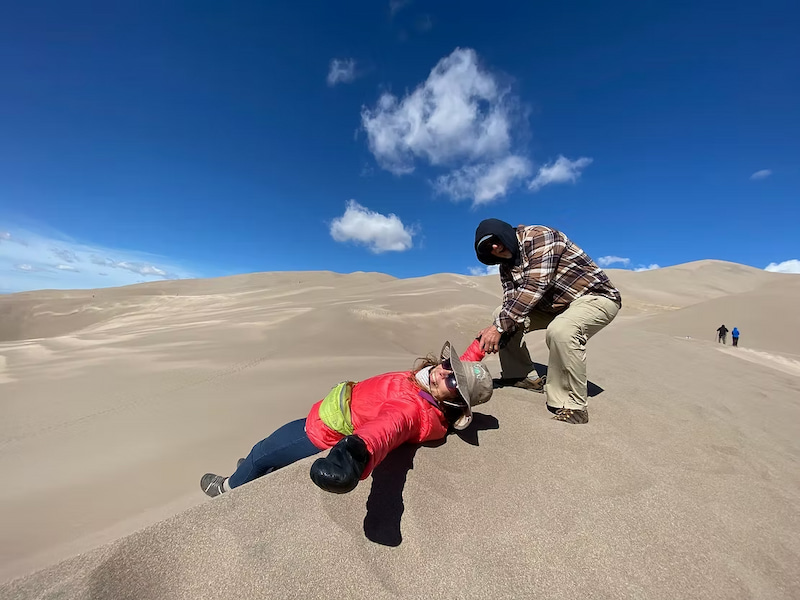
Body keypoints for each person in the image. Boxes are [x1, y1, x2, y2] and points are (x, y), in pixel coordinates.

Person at [200, 340, 492, 497]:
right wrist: (480, 344)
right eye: (448, 365)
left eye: (453, 382)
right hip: (323, 418)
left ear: (454, 402)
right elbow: (466, 368)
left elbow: (384, 430)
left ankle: (228, 489)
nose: (444, 373)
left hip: (319, 431)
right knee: (268, 458)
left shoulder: (412, 408)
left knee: (260, 453)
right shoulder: (429, 388)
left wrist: (352, 457)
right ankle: (251, 477)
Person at [473, 219, 622, 425]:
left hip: (594, 298)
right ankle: (521, 376)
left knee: (561, 330)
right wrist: (497, 327)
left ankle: (573, 405)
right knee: (501, 313)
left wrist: (498, 327)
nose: (495, 248)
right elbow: (510, 302)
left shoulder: (539, 236)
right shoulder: (505, 267)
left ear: (504, 232)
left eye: (495, 240)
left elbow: (535, 285)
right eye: (488, 248)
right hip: (552, 307)